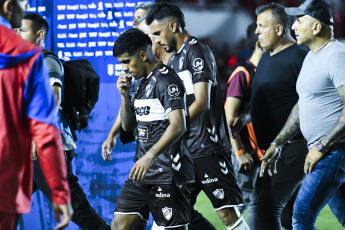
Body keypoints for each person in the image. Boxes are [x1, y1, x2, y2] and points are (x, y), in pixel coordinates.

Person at [146, 4, 249, 230]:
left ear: (173, 26)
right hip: (184, 150)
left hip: (207, 148)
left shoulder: (197, 51)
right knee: (169, 213)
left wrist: (171, 128)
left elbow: (202, 102)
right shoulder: (172, 59)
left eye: (157, 33)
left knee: (227, 215)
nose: (156, 40)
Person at [15, 13, 110, 230]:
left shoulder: (46, 60)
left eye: (22, 30)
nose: (16, 34)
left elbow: (54, 97)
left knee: (78, 210)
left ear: (39, 35)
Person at [261, 0, 345, 229]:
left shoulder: (337, 55)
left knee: (301, 214)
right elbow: (302, 106)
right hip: (326, 150)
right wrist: (278, 143)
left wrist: (321, 147)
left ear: (316, 27)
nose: (293, 25)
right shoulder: (312, 56)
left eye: (299, 20)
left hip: (333, 151)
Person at [110, 28, 195, 230]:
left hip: (168, 173)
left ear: (142, 55)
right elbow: (128, 126)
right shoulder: (139, 83)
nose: (124, 69)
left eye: (126, 62)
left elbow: (178, 125)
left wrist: (149, 155)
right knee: (119, 225)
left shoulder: (166, 80)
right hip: (141, 173)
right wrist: (124, 96)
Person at [0, 0, 72, 229]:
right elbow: (44, 128)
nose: (27, 4)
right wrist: (60, 193)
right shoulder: (28, 59)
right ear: (9, 6)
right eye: (23, 1)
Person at [243, 3, 309, 229]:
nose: (257, 31)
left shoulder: (299, 57)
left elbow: (308, 102)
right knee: (289, 215)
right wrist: (244, 118)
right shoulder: (266, 57)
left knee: (266, 210)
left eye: (262, 26)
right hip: (272, 153)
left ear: (280, 30)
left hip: (292, 148)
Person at [102, 2, 157, 161]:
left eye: (139, 18)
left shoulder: (168, 70)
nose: (134, 23)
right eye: (134, 19)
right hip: (144, 149)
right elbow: (129, 108)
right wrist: (112, 135)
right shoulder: (137, 72)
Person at [224, 22, 265, 230]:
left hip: (262, 153)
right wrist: (239, 151)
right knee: (241, 205)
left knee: (260, 204)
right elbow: (229, 116)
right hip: (246, 153)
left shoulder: (264, 71)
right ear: (259, 41)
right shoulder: (243, 73)